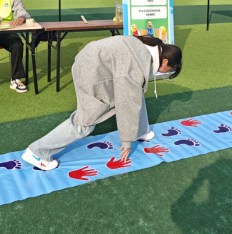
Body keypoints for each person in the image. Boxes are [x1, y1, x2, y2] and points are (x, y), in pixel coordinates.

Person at [21, 35, 183, 170]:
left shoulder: (147, 47)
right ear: (164, 61)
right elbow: (126, 102)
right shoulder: (137, 65)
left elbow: (132, 93)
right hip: (92, 72)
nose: (168, 72)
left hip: (92, 60)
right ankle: (37, 152)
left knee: (134, 92)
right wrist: (127, 141)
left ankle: (140, 131)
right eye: (171, 69)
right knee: (85, 122)